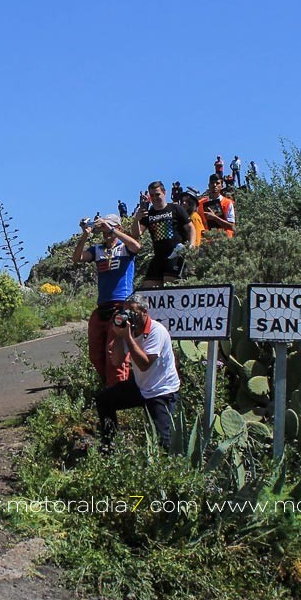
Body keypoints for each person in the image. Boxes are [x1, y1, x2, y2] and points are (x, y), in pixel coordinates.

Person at [95, 299, 181, 450]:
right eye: (126, 312)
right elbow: (116, 361)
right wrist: (118, 335)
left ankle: (169, 467)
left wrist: (127, 337)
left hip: (161, 390)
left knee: (164, 441)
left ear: (144, 312)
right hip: (142, 386)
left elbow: (144, 364)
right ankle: (111, 444)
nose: (130, 316)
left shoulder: (157, 331)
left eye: (133, 312)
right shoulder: (130, 330)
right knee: (104, 400)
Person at [74, 213, 142, 386]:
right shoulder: (97, 250)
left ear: (118, 228)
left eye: (109, 228)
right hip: (102, 306)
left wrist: (111, 229)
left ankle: (117, 390)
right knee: (96, 353)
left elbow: (136, 246)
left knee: (115, 353)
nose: (106, 232)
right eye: (103, 229)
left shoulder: (124, 247)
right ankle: (108, 387)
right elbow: (77, 258)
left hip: (121, 305)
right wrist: (85, 234)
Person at [131, 181, 193, 288]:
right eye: (152, 195)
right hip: (158, 256)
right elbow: (136, 234)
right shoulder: (148, 214)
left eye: (157, 194)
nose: (155, 198)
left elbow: (190, 228)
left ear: (164, 192)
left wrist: (191, 246)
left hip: (175, 254)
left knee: (169, 286)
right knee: (146, 289)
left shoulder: (175, 208)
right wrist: (136, 219)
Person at [198, 173, 236, 238]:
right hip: (208, 242)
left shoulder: (227, 203)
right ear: (209, 185)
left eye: (217, 183)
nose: (214, 185)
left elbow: (232, 226)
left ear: (222, 186)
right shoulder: (200, 203)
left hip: (225, 242)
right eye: (212, 183)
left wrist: (215, 218)